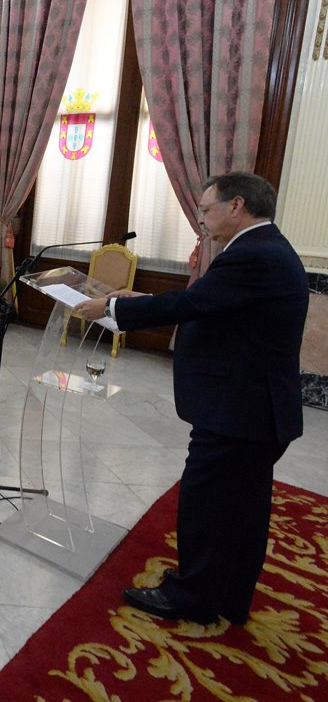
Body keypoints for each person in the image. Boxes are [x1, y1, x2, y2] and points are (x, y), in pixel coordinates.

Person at [75, 171, 308, 626]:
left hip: (239, 410)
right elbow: (213, 305)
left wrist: (112, 308)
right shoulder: (264, 249)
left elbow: (195, 305)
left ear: (236, 206)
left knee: (208, 504)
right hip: (254, 407)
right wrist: (139, 297)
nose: (201, 219)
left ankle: (193, 597)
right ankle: (229, 594)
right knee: (242, 509)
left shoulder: (254, 255)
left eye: (206, 209)